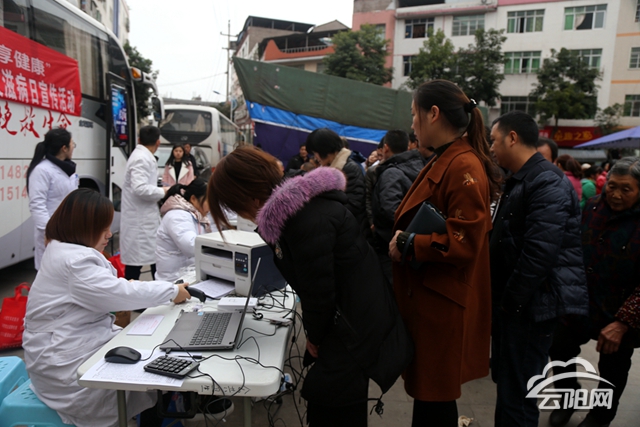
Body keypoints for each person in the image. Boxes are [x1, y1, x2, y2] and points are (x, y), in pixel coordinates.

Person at [207, 147, 412, 427]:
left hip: (354, 329)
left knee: (331, 406)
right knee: (339, 404)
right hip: (355, 319)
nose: (241, 214)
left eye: (236, 206)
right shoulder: (300, 207)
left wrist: (315, 337)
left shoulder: (303, 220)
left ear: (252, 198)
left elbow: (319, 293)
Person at [22, 188, 191, 427]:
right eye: (103, 229)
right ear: (83, 228)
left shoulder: (63, 251)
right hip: (64, 369)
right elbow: (122, 294)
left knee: (151, 352)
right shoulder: (75, 262)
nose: (109, 235)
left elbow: (112, 290)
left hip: (64, 348)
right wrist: (172, 292)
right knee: (157, 368)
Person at [388, 80, 500, 426]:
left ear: (433, 114)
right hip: (433, 298)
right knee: (431, 397)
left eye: (414, 114)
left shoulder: (463, 165)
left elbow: (464, 240)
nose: (412, 124)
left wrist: (409, 243)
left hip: (442, 303)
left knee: (434, 399)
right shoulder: (449, 158)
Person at [488, 110, 588, 427]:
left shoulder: (546, 182)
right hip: (518, 305)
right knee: (510, 389)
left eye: (493, 140)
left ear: (512, 138)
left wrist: (510, 303)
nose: (491, 148)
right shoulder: (522, 179)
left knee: (518, 398)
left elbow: (538, 254)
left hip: (530, 308)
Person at [547, 157, 640, 427]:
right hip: (581, 302)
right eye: (612, 186)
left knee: (613, 369)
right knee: (559, 347)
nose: (616, 194)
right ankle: (568, 398)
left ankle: (600, 416)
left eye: (626, 189)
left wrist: (623, 323)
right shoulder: (593, 206)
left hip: (621, 312)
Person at [371, 129, 425, 285]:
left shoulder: (391, 173)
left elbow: (391, 209)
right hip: (409, 243)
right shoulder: (418, 166)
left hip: (391, 245)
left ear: (386, 147)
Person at [26, 128, 79, 270]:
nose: (73, 148)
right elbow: (37, 205)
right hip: (50, 233)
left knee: (65, 271)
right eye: (72, 144)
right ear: (64, 148)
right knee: (49, 272)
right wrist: (49, 231)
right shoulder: (42, 170)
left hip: (68, 230)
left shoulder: (68, 169)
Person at [120, 125, 166, 280]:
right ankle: (133, 295)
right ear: (158, 142)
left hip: (143, 219)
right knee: (137, 266)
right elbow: (139, 188)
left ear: (139, 140)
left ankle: (153, 291)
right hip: (139, 222)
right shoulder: (141, 158)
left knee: (151, 262)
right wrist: (164, 191)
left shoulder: (141, 156)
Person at [305, 128, 366, 228]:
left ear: (323, 149)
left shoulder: (349, 169)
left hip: (346, 228)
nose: (315, 157)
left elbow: (353, 205)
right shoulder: (329, 167)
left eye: (315, 153)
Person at [156, 178, 212, 282]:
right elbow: (191, 246)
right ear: (193, 199)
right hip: (174, 280)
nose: (212, 206)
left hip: (186, 276)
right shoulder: (178, 215)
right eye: (209, 200)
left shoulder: (195, 215)